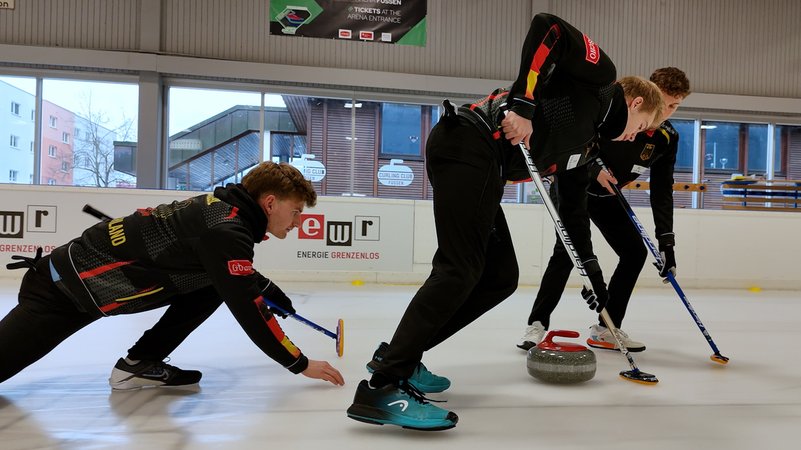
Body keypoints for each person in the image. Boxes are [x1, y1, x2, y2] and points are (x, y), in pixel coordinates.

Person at [346, 12, 663, 431]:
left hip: (485, 166)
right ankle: (384, 385)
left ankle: (399, 356)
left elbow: (573, 214)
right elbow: (548, 27)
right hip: (468, 140)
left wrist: (593, 274)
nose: (636, 136)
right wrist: (524, 106)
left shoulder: (587, 147)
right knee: (459, 268)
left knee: (500, 277)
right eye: (642, 126)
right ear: (635, 103)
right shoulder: (600, 78)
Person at [0, 161, 345, 390]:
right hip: (61, 293)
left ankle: (140, 363)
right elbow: (248, 308)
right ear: (270, 203)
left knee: (212, 285)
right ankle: (140, 362)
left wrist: (269, 290)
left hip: (84, 289)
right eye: (296, 211)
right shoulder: (227, 230)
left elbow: (227, 271)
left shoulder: (223, 213)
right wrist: (298, 363)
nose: (298, 222)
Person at [517, 67, 691, 352]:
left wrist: (666, 242)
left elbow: (662, 191)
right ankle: (537, 324)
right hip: (573, 184)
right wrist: (594, 169)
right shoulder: (617, 113)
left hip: (608, 197)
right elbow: (579, 136)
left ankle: (606, 329)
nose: (666, 111)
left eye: (675, 106)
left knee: (634, 253)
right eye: (663, 102)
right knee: (568, 252)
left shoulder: (666, 137)